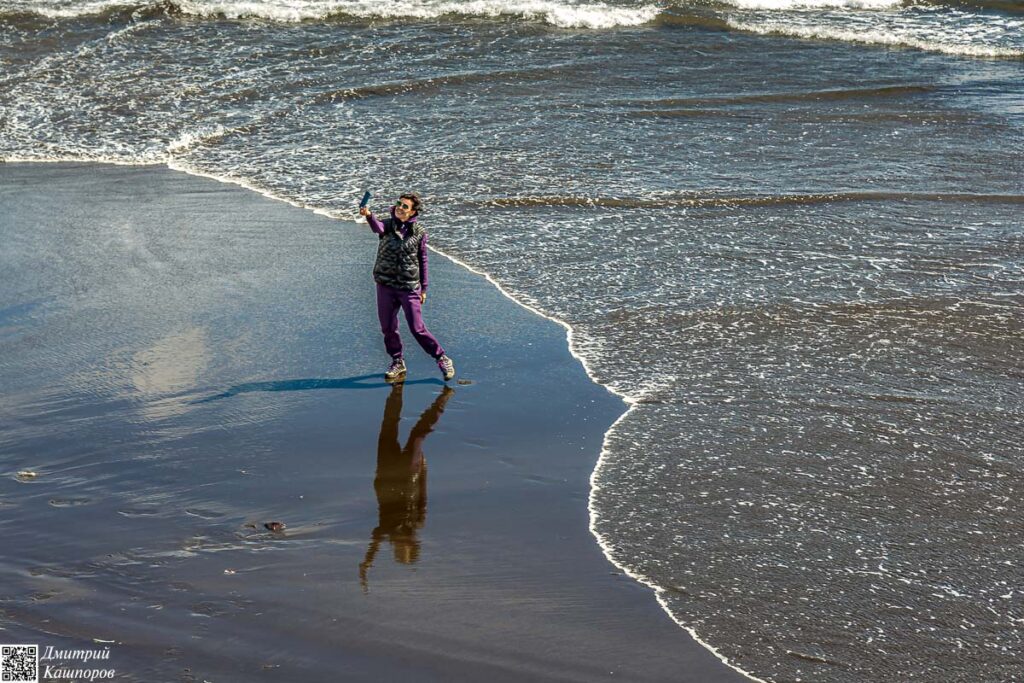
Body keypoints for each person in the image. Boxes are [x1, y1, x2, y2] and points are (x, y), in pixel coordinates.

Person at [358, 193, 455, 381]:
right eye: (398, 204)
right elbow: (376, 227)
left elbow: (423, 260)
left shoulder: (419, 232)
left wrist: (424, 288)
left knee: (417, 328)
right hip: (385, 285)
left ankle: (441, 357)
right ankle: (397, 361)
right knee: (388, 327)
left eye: (405, 206)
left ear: (412, 212)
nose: (400, 208)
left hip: (409, 287)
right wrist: (369, 215)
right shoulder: (387, 225)